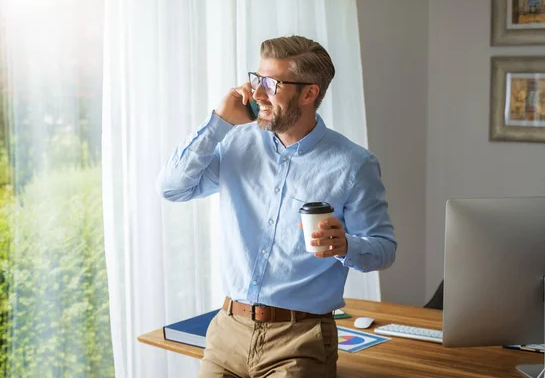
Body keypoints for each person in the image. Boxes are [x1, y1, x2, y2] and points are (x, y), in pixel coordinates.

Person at [156, 35, 397, 378]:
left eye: (271, 84)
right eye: (257, 79)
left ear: (309, 93)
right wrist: (218, 122)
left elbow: (384, 249)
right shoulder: (235, 141)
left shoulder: (353, 165)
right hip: (227, 332)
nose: (256, 94)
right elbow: (172, 188)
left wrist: (347, 245)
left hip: (299, 342)